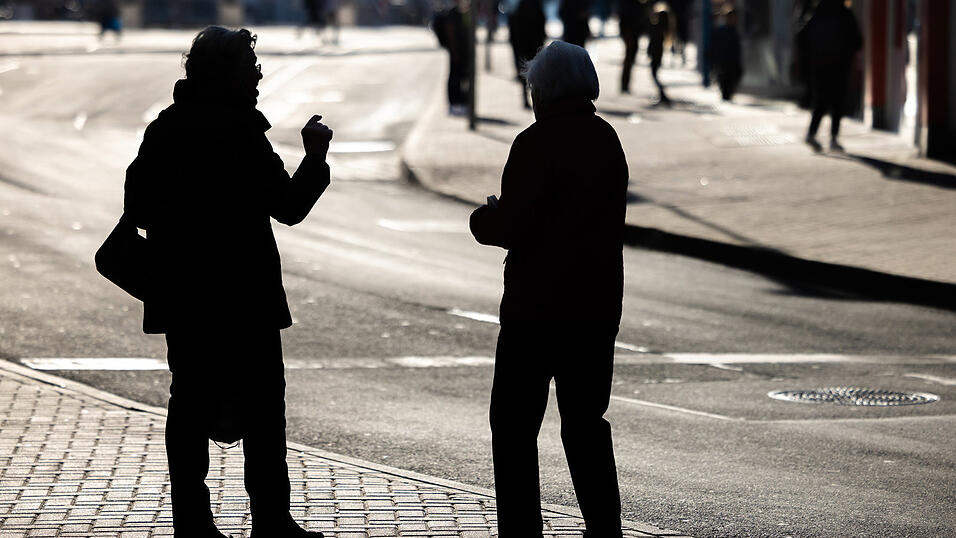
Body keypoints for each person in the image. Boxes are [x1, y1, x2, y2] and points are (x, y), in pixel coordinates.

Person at [122, 27, 332, 538]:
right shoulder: (239, 130)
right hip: (244, 294)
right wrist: (315, 156)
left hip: (184, 293)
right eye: (250, 67)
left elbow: (137, 205)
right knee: (263, 408)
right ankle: (271, 521)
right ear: (227, 74)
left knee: (190, 404)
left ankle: (191, 522)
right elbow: (289, 206)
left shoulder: (166, 129)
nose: (258, 76)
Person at [469, 41, 627, 538]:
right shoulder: (607, 139)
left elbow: (513, 225)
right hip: (596, 308)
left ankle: (521, 531)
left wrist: (484, 217)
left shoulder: (534, 144)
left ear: (545, 90)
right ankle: (605, 528)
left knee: (513, 428)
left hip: (534, 313)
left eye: (533, 86)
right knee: (585, 425)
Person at [798, 0, 862, 152]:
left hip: (819, 65)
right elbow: (858, 41)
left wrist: (812, 57)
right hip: (840, 64)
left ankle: (812, 133)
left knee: (820, 100)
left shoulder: (816, 13)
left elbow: (801, 37)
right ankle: (833, 138)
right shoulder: (845, 14)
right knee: (837, 101)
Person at [433, 0, 472, 115]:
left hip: (461, 52)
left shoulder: (462, 12)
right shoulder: (451, 14)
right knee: (455, 78)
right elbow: (452, 35)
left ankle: (461, 103)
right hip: (456, 53)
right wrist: (455, 52)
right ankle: (455, 104)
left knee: (460, 77)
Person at [508, 0, 546, 108]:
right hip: (531, 44)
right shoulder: (534, 4)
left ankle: (528, 97)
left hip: (523, 44)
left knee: (525, 72)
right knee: (534, 73)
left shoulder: (517, 5)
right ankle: (533, 97)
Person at [709, 5, 742, 101]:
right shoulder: (721, 31)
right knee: (725, 84)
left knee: (730, 83)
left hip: (732, 64)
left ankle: (727, 96)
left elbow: (737, 50)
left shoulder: (735, 32)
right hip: (723, 64)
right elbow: (715, 47)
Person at [618, 0, 650, 94]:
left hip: (634, 26)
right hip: (629, 25)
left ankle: (625, 83)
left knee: (631, 55)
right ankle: (624, 83)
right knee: (629, 55)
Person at [647, 1, 672, 104]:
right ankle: (662, 94)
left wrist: (650, 52)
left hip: (656, 54)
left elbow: (653, 43)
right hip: (657, 54)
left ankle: (663, 94)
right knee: (654, 74)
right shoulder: (662, 30)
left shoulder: (657, 29)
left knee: (654, 74)